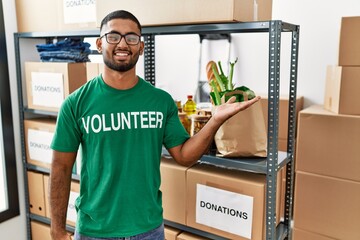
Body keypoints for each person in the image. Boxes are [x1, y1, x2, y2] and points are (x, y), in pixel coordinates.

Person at [49, 9, 260, 240]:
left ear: (141, 46)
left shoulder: (160, 101)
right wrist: (57, 229)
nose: (122, 44)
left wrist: (215, 120)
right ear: (100, 44)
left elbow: (184, 155)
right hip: (95, 232)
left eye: (131, 37)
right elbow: (60, 168)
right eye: (113, 36)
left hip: (148, 230)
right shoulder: (75, 104)